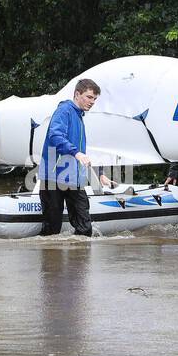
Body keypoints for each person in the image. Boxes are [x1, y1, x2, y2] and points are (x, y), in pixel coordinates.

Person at [37, 78, 111, 237]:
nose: (92, 102)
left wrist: (99, 173)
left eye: (95, 99)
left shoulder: (79, 116)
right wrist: (75, 153)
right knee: (52, 230)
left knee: (85, 228)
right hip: (53, 177)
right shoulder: (64, 111)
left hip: (73, 179)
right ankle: (50, 261)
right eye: (89, 97)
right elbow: (55, 136)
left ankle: (79, 261)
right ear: (77, 94)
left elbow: (84, 153)